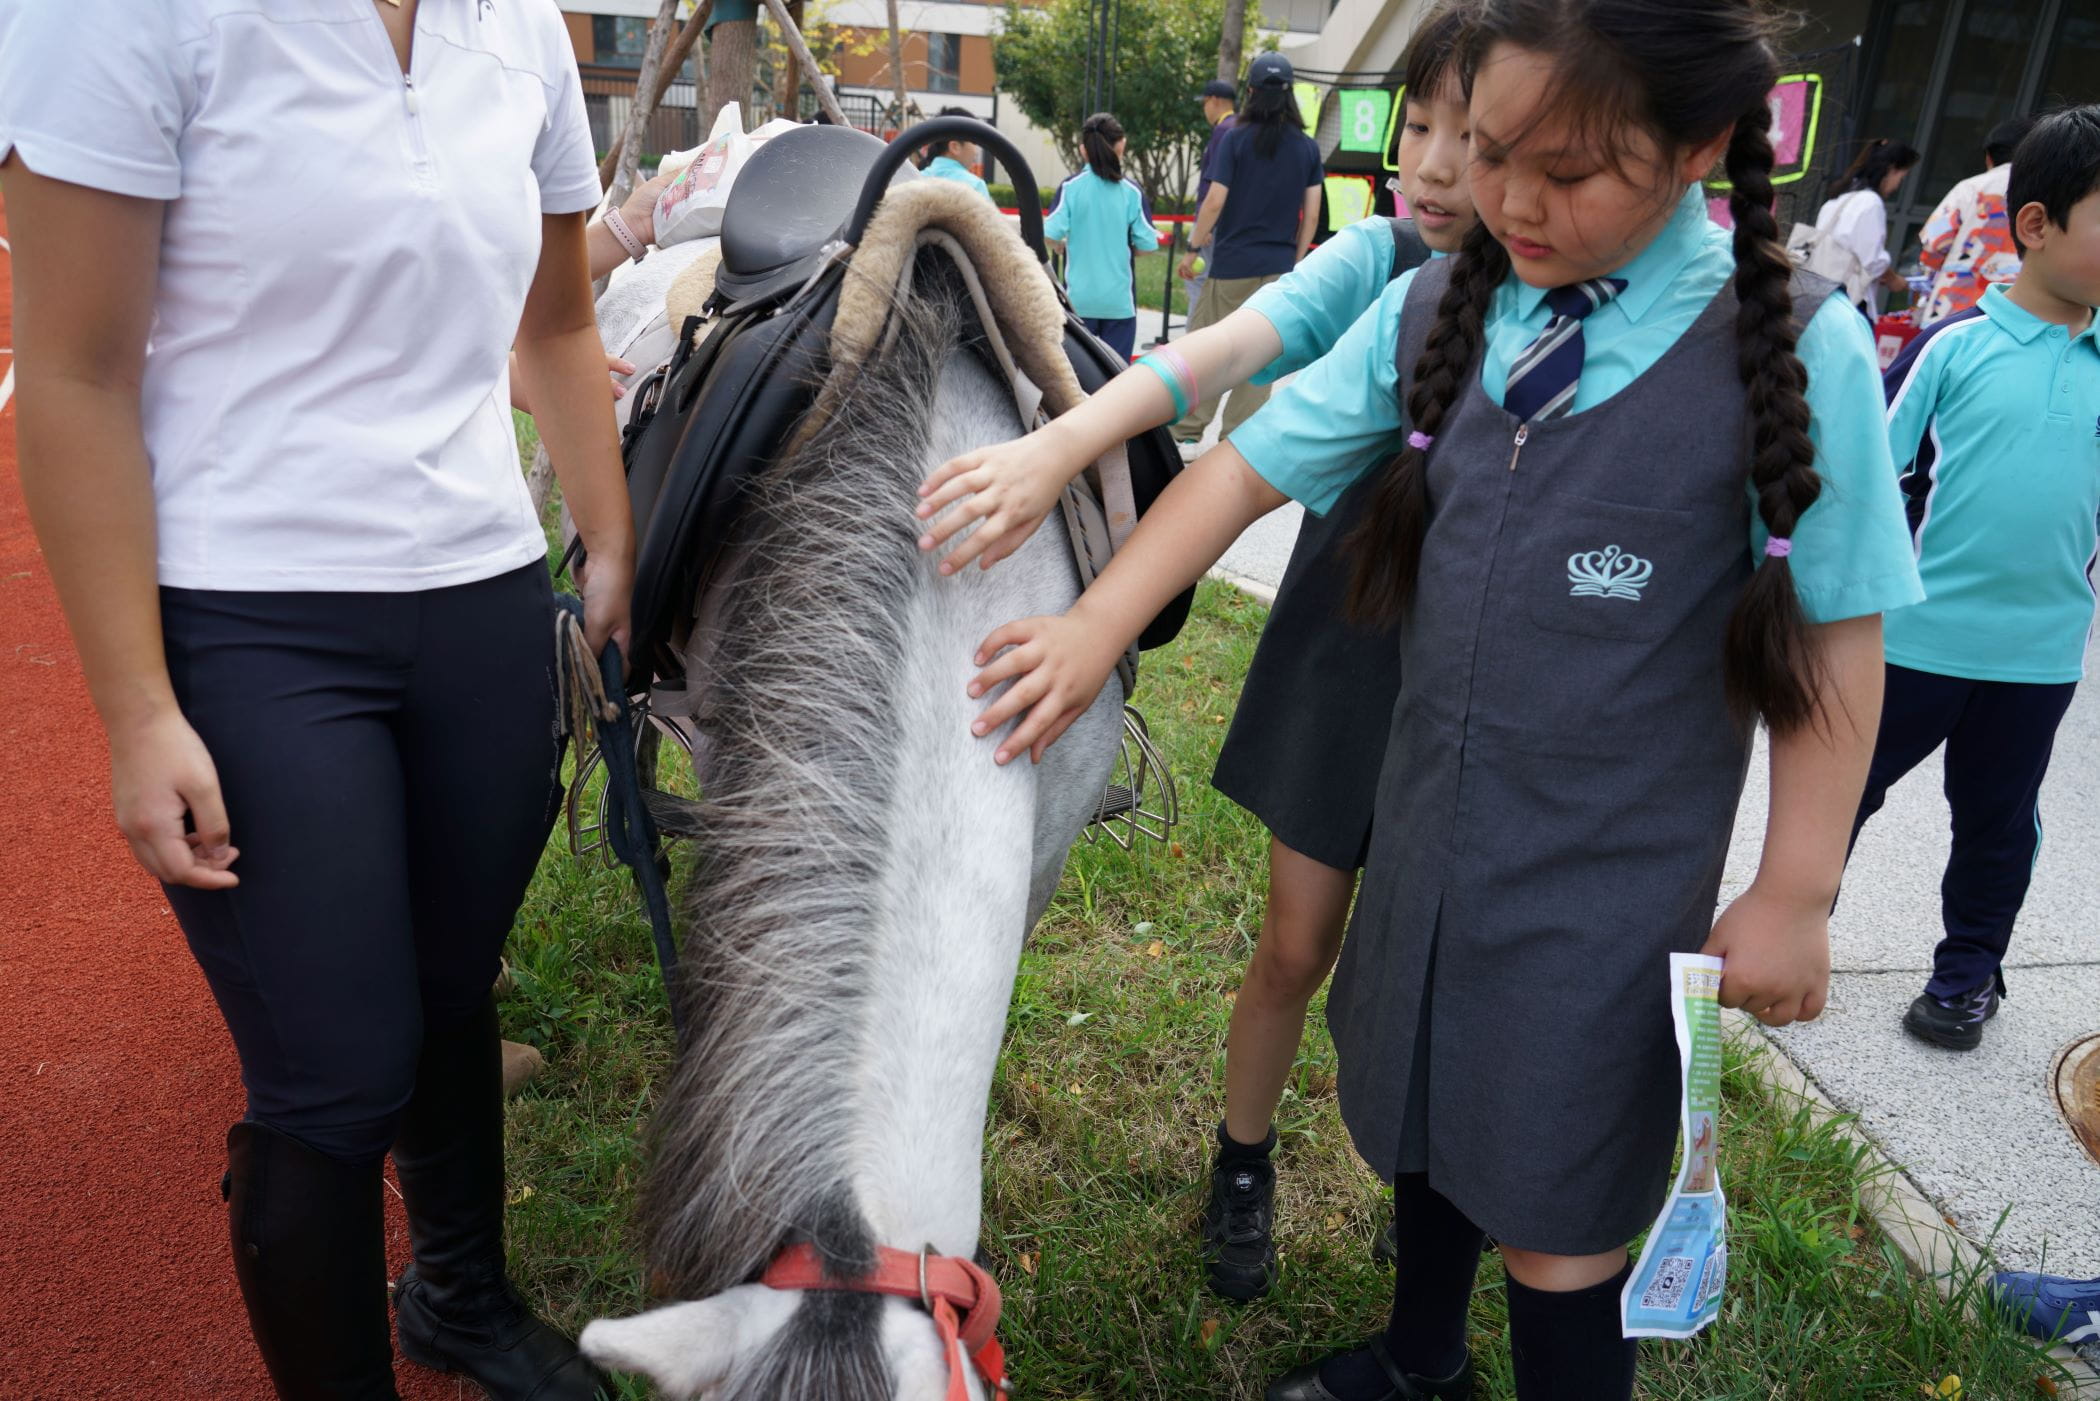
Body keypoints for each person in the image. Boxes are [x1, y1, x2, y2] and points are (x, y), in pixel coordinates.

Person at [949, 0, 1923, 1395]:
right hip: (1427, 828)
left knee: (1556, 1215)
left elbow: (1836, 635)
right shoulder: (1433, 311)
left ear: (1703, 144)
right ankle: (1420, 1360)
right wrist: (1098, 623)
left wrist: (1799, 887)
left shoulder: (1795, 347)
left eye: (1568, 171)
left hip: (1604, 887)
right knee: (1421, 1113)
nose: (1507, 198)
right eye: (1487, 146)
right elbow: (1245, 464)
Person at [0, 3, 635, 1398]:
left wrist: (606, 537)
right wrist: (137, 708)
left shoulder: (518, 23)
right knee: (335, 1075)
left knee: (447, 992)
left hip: (477, 595)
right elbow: (71, 372)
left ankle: (461, 1296)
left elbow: (561, 314)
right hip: (250, 611)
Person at [917, 3, 1473, 1304]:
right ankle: (1242, 1157)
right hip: (1355, 632)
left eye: (1478, 135)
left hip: (1489, 670)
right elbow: (1220, 353)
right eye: (1424, 129)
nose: (1439, 165)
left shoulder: (1567, 299)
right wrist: (1058, 443)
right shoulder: (1384, 262)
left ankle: (1430, 1190)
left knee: (1444, 954)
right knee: (1297, 942)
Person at [1849, 105, 2100, 1053]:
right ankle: (1791, 935)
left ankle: (1967, 975)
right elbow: (1870, 482)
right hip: (1912, 641)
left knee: (1998, 827)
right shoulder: (1952, 349)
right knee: (1844, 794)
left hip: (2036, 659)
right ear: (2037, 225)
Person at [1172, 52, 1325, 444]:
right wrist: (1295, 259)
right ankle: (1237, 441)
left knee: (1206, 349)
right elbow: (1310, 215)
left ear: (1251, 92)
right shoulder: (1307, 148)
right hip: (1277, 267)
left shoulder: (1235, 138)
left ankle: (1187, 435)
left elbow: (1215, 200)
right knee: (1260, 358)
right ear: (1290, 95)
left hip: (1231, 266)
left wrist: (1191, 249)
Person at [1043, 113, 1163, 360]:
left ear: (1082, 150)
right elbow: (1148, 245)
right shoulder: (1131, 192)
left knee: (1078, 381)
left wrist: (1061, 245)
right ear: (1122, 145)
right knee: (1116, 379)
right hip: (1119, 304)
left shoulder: (1071, 188)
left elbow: (1048, 233)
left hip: (1078, 303)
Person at [1915, 114, 2037, 324]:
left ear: (1989, 157)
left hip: (1950, 313)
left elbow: (1935, 243)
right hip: (2011, 317)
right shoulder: (2048, 194)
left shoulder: (1969, 188)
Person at [1810, 136, 1921, 312]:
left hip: (1819, 290)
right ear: (1891, 169)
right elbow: (1872, 261)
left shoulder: (1837, 200)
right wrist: (1894, 280)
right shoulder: (1870, 202)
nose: (1898, 185)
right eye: (1901, 177)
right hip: (1848, 297)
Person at [1186, 77, 1241, 313]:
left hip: (1215, 220)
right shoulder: (1241, 127)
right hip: (1236, 219)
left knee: (1198, 276)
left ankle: (1195, 335)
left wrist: (1204, 223)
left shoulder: (1223, 130)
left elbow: (1213, 183)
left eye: (1205, 102)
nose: (1204, 109)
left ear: (1215, 101)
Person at [918, 105, 993, 199]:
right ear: (955, 147)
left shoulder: (916, 179)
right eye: (974, 142)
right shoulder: (974, 186)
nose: (976, 151)